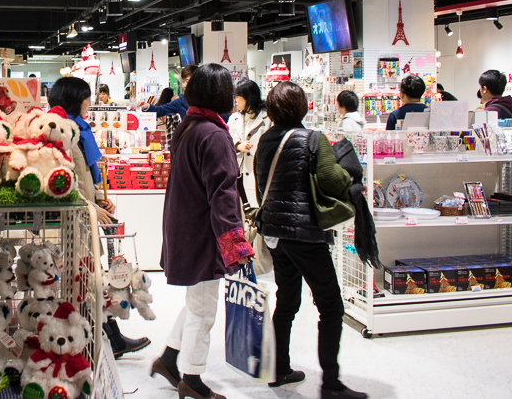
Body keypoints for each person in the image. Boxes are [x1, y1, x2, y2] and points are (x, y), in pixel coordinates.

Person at [254, 81, 365, 399]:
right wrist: (348, 173)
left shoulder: (264, 141)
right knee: (330, 305)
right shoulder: (314, 139)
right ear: (303, 107)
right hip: (305, 234)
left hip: (274, 232)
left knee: (286, 301)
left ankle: (279, 368)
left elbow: (262, 186)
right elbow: (332, 181)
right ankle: (331, 383)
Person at [152, 64, 254, 399]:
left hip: (186, 226)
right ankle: (191, 380)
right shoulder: (213, 133)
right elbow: (223, 194)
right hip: (204, 232)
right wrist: (235, 245)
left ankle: (169, 360)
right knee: (204, 309)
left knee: (197, 300)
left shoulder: (191, 124)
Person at [48, 77, 150, 358]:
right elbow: (65, 181)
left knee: (90, 280)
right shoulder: (61, 133)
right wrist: (92, 206)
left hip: (86, 216)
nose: (90, 103)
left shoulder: (79, 130)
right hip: (75, 221)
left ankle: (106, 337)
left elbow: (85, 172)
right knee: (86, 281)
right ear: (73, 99)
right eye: (86, 97)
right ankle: (101, 340)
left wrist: (99, 199)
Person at [227, 79, 270, 206]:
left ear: (248, 98)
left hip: (260, 175)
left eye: (238, 97)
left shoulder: (268, 118)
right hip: (239, 177)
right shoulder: (234, 118)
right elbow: (227, 140)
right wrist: (238, 145)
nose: (236, 101)